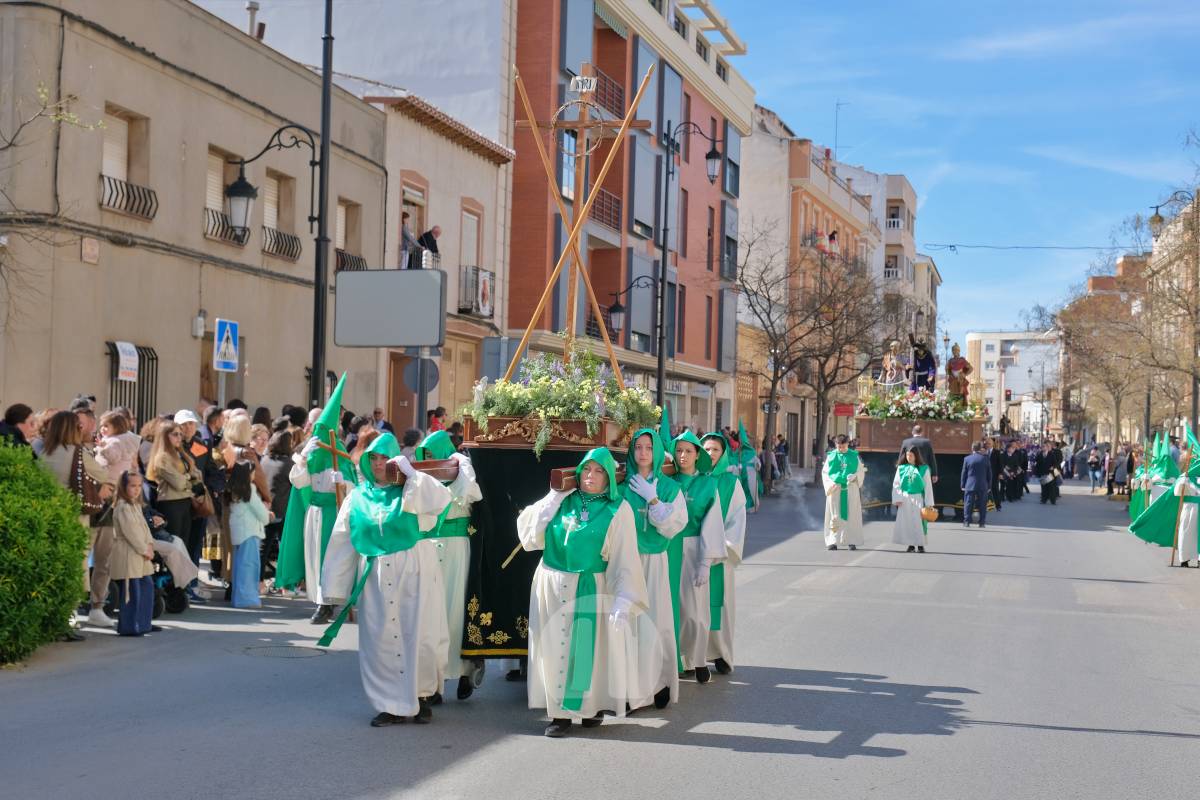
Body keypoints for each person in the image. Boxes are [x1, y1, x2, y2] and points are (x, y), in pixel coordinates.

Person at [318, 433, 452, 726]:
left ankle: (422, 696)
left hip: (415, 571)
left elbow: (441, 499)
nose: (378, 464)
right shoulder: (357, 497)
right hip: (376, 576)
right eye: (373, 458)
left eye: (384, 458)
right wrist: (334, 589)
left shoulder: (411, 491)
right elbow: (342, 540)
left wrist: (410, 473)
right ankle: (389, 703)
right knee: (381, 639)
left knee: (420, 635)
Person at [517, 447, 648, 738]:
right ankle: (559, 714)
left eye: (599, 471)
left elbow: (625, 557)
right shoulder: (563, 501)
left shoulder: (618, 509)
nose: (591, 476)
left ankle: (590, 707)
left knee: (588, 649)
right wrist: (552, 498)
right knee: (554, 646)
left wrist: (624, 599)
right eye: (586, 470)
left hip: (591, 584)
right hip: (553, 581)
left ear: (609, 477)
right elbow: (529, 535)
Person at [278, 375, 359, 624]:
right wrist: (302, 457)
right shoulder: (311, 457)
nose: (320, 435)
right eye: (317, 430)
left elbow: (353, 489)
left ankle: (331, 603)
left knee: (331, 559)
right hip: (314, 513)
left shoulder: (341, 456)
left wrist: (342, 482)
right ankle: (320, 600)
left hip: (334, 512)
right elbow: (298, 482)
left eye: (325, 431)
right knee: (315, 558)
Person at [413, 430, 484, 703]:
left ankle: (465, 671)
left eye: (434, 454)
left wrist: (459, 464)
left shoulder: (463, 477)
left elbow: (470, 493)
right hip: (429, 548)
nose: (430, 460)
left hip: (457, 549)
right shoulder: (421, 482)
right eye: (425, 456)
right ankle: (435, 683)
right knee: (432, 615)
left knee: (455, 611)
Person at [623, 428, 688, 711]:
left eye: (649, 447)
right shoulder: (621, 485)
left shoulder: (670, 488)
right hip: (627, 559)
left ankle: (660, 682)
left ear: (657, 451)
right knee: (630, 623)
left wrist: (653, 499)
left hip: (655, 560)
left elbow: (675, 524)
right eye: (638, 447)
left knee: (657, 621)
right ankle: (630, 687)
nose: (643, 453)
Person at [40, 410, 111, 633]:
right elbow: (102, 475)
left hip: (49, 515)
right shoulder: (77, 453)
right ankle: (68, 618)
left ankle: (51, 618)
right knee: (74, 565)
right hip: (74, 516)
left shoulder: (43, 452)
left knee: (53, 564)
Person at [671, 431, 727, 685]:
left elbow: (712, 523)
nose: (683, 456)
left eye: (688, 451)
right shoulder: (667, 481)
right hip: (668, 548)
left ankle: (698, 658)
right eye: (679, 450)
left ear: (697, 455)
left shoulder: (707, 484)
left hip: (694, 547)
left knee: (695, 609)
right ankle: (677, 660)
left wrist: (705, 561)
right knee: (672, 608)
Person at [700, 431, 748, 677]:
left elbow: (737, 517)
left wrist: (721, 548)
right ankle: (694, 655)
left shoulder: (731, 483)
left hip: (720, 555)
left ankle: (720, 653)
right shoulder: (693, 479)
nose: (710, 454)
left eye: (715, 450)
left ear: (723, 453)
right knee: (693, 607)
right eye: (706, 449)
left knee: (720, 605)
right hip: (694, 554)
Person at [110, 471, 158, 636]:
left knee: (146, 587)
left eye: (139, 486)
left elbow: (144, 529)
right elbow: (131, 532)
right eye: (132, 486)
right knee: (132, 592)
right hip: (129, 553)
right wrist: (144, 549)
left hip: (141, 554)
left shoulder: (135, 505)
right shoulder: (123, 507)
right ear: (124, 487)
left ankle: (143, 623)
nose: (137, 490)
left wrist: (150, 545)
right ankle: (129, 626)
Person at [228, 460, 269, 608]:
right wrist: (267, 515)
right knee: (249, 566)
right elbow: (261, 513)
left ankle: (238, 597)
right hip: (250, 532)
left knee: (239, 566)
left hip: (239, 532)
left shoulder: (233, 490)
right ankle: (247, 599)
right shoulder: (249, 490)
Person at [260, 431, 294, 584]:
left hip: (264, 509)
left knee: (262, 549)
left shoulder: (263, 460)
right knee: (285, 550)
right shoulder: (288, 464)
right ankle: (284, 584)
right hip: (282, 510)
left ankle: (258, 582)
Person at [822, 434, 864, 550]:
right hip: (835, 489)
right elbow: (825, 473)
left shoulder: (854, 456)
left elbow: (861, 471)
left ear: (847, 444)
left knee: (851, 514)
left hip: (850, 488)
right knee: (835, 515)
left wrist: (855, 476)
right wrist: (830, 484)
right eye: (839, 447)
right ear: (836, 445)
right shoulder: (831, 456)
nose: (841, 449)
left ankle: (851, 540)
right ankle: (833, 540)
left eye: (843, 446)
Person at [893, 448, 934, 553]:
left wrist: (929, 503)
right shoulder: (901, 468)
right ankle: (910, 545)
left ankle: (920, 545)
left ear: (916, 456)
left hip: (918, 498)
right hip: (905, 498)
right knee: (908, 522)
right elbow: (896, 484)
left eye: (911, 455)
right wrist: (898, 498)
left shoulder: (923, 469)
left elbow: (928, 486)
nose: (908, 457)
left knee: (919, 521)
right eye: (907, 455)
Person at [94, 410, 141, 484]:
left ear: (116, 427)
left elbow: (113, 458)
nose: (102, 428)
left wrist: (103, 448)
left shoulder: (115, 442)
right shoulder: (111, 439)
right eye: (101, 426)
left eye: (106, 426)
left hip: (112, 479)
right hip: (114, 477)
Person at [961, 441, 992, 528]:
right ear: (980, 448)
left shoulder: (967, 459)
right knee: (982, 504)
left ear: (972, 448)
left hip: (970, 485)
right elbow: (989, 474)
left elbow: (964, 473)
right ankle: (982, 523)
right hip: (983, 485)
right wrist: (989, 486)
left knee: (968, 504)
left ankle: (967, 522)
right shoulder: (986, 459)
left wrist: (963, 485)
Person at [988, 437, 1005, 511]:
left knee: (995, 489)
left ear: (993, 444)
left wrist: (1001, 473)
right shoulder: (984, 452)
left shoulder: (997, 452)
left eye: (989, 443)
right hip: (985, 474)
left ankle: (998, 505)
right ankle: (987, 504)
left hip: (994, 474)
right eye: (987, 443)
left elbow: (1000, 464)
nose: (988, 444)